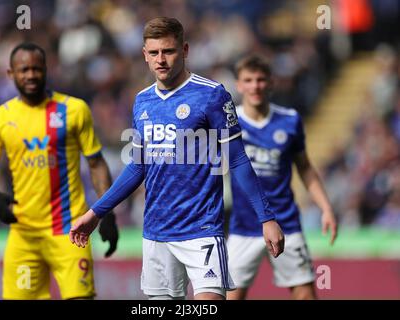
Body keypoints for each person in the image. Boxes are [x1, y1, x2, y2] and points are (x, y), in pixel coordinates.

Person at [69, 17, 284, 301]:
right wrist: (95, 213)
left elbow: (238, 160)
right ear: (144, 55)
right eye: (154, 53)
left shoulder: (212, 95)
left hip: (202, 229)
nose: (161, 60)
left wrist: (266, 218)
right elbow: (137, 167)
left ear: (184, 50)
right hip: (156, 232)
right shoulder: (142, 101)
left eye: (168, 51)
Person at [0, 42, 119, 300]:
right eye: (24, 69)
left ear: (46, 70)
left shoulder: (74, 110)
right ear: (11, 74)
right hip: (24, 234)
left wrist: (107, 214)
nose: (30, 75)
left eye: (36, 69)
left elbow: (96, 164)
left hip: (70, 231)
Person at [226, 55, 338, 300]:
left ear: (271, 83)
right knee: (230, 297)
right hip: (243, 226)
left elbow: (305, 168)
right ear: (239, 85)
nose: (255, 86)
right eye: (248, 80)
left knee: (305, 295)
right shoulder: (228, 123)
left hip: (286, 221)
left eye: (260, 79)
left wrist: (326, 208)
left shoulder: (289, 120)